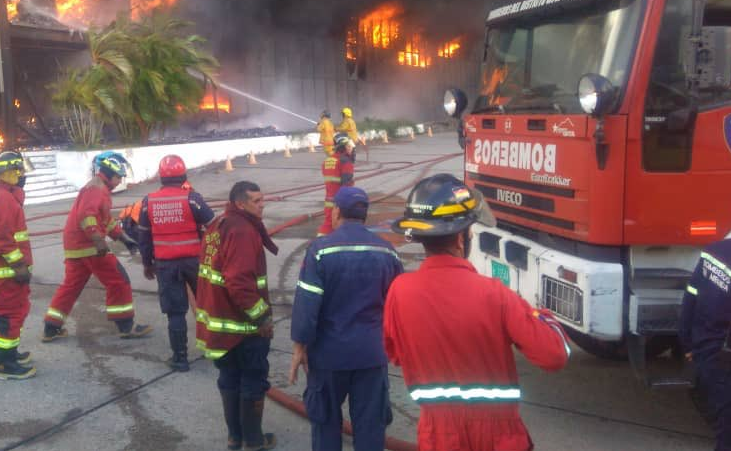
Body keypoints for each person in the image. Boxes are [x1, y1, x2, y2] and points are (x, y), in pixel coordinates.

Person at [383, 174, 571, 451]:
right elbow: (554, 356)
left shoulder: (399, 292)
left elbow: (396, 354)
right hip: (498, 438)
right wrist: (541, 316)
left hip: (437, 437)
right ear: (461, 238)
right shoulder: (494, 294)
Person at [289, 186, 404, 451]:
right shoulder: (388, 251)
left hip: (329, 357)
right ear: (365, 214)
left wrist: (299, 347)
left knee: (325, 424)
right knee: (370, 428)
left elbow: (308, 302)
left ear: (336, 211)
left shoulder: (320, 250)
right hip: (371, 357)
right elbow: (397, 305)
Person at [196, 181, 278, 451]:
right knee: (252, 381)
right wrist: (261, 317)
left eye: (262, 198)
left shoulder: (221, 224)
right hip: (243, 328)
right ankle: (254, 441)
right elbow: (239, 282)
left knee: (229, 379)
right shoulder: (242, 231)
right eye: (256, 200)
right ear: (240, 204)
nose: (262, 204)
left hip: (220, 327)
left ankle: (235, 438)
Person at [42, 151, 152, 342]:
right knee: (119, 281)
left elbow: (106, 221)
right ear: (109, 172)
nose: (119, 181)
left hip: (76, 246)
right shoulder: (96, 189)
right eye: (118, 177)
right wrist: (98, 240)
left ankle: (51, 327)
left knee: (71, 287)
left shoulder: (98, 188)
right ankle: (126, 326)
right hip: (90, 247)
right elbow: (87, 216)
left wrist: (124, 239)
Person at [139, 154, 215, 372]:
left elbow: (143, 237)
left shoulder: (149, 201)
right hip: (195, 262)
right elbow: (213, 226)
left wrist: (147, 264)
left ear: (161, 177)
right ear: (184, 175)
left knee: (175, 313)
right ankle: (214, 347)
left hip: (165, 265)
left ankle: (180, 359)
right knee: (207, 305)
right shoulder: (192, 198)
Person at [679, 220, 731, 450]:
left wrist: (687, 346)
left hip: (706, 354)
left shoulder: (713, 251)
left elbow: (690, 299)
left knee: (727, 428)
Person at [0, 150, 36, 380]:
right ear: (11, 173)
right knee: (9, 316)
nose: (24, 177)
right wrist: (19, 265)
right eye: (20, 172)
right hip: (9, 274)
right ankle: (6, 364)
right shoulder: (3, 199)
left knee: (16, 314)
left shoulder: (4, 196)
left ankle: (10, 352)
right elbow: (1, 237)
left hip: (9, 273)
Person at [318, 133, 355, 237]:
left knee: (328, 225)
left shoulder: (327, 160)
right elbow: (347, 184)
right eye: (349, 145)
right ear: (343, 147)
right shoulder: (345, 162)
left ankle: (319, 245)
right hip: (341, 201)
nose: (351, 147)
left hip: (329, 200)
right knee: (345, 226)